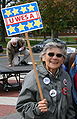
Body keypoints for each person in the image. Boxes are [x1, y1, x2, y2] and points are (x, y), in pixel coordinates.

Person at [16, 42, 76, 119]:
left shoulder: (66, 76)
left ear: (63, 60)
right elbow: (21, 107)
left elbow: (69, 105)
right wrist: (37, 108)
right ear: (43, 57)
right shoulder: (33, 76)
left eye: (59, 55)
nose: (54, 57)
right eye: (50, 54)